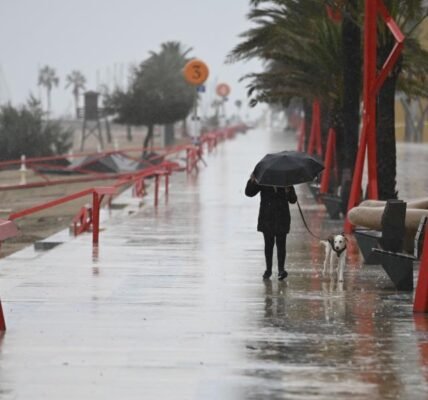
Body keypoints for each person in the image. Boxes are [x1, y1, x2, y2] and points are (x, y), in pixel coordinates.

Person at [245, 174, 297, 280]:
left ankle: (281, 270)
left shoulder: (285, 180)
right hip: (267, 216)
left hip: (282, 215)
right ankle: (268, 270)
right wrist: (253, 180)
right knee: (269, 244)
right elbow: (249, 193)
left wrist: (288, 191)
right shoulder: (263, 178)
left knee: (281, 244)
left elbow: (293, 200)